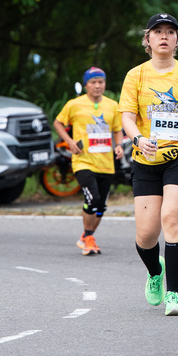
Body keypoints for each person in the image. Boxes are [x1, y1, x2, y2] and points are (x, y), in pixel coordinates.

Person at [119, 13, 178, 316]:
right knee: (146, 235)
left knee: (172, 218)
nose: (164, 36)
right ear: (148, 39)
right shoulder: (136, 75)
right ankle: (155, 271)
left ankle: (173, 295)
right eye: (157, 31)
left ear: (177, 40)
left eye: (170, 31)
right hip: (146, 160)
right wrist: (138, 138)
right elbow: (127, 116)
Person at [53, 67, 124, 255]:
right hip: (83, 161)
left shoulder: (112, 105)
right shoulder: (74, 104)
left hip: (106, 164)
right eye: (93, 82)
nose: (97, 85)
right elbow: (58, 123)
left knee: (100, 207)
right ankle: (89, 238)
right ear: (86, 85)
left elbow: (117, 129)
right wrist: (69, 142)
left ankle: (87, 236)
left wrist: (118, 145)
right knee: (93, 199)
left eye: (101, 82)